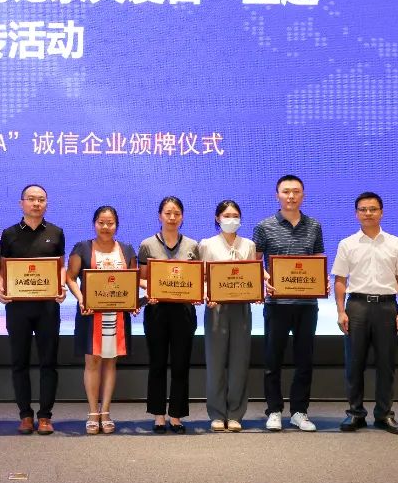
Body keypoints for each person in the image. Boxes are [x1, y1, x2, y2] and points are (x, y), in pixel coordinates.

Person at [333, 192, 398, 435]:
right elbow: (340, 280)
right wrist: (340, 311)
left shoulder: (396, 243)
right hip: (357, 306)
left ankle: (384, 414)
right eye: (363, 209)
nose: (368, 213)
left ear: (381, 212)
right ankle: (355, 414)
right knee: (354, 364)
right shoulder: (347, 244)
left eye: (373, 209)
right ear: (356, 213)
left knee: (386, 364)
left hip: (387, 307)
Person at [253, 174, 325, 432]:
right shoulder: (264, 226)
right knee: (272, 360)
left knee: (304, 360)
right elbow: (255, 263)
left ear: (303, 195)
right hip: (277, 304)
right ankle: (274, 410)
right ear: (277, 196)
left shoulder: (314, 226)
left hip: (307, 305)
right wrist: (266, 279)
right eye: (286, 191)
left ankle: (299, 412)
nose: (291, 196)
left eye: (296, 191)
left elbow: (318, 260)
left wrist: (322, 281)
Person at [0, 184, 66, 435]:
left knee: (49, 362)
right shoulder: (9, 234)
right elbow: (3, 268)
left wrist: (61, 286)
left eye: (41, 199)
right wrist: (0, 288)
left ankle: (45, 416)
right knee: (19, 362)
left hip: (47, 307)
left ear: (46, 204)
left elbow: (60, 266)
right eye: (31, 199)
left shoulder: (56, 232)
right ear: (21, 203)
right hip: (18, 308)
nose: (36, 203)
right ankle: (25, 415)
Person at [65, 205, 138, 435]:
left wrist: (134, 302)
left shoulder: (127, 250)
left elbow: (132, 282)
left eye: (110, 223)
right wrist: (81, 299)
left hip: (117, 316)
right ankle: (92, 413)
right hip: (90, 314)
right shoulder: (82, 248)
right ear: (94, 223)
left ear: (117, 225)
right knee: (93, 362)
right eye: (101, 223)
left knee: (110, 363)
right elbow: (70, 277)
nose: (106, 227)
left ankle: (105, 412)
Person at [137, 196, 199, 434]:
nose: (172, 217)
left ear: (182, 217)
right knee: (157, 363)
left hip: (184, 311)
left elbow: (197, 278)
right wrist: (152, 289)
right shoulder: (147, 244)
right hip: (157, 310)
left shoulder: (192, 245)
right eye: (168, 213)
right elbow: (142, 278)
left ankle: (176, 415)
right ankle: (158, 415)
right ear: (160, 216)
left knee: (181, 364)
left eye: (177, 213)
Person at [199, 199, 256, 432]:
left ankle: (235, 414)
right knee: (215, 362)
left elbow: (252, 276)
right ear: (217, 218)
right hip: (216, 308)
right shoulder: (207, 244)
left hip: (241, 308)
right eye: (227, 216)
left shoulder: (249, 245)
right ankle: (216, 413)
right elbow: (202, 276)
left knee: (239, 362)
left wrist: (256, 292)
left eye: (235, 216)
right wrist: (207, 294)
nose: (231, 220)